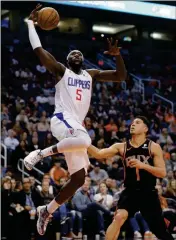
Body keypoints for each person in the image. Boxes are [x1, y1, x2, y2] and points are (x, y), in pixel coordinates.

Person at [24, 4, 127, 236]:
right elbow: (39, 49)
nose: (77, 55)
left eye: (80, 54)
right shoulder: (61, 71)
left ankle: (46, 210)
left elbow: (121, 76)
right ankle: (40, 153)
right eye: (72, 54)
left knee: (79, 178)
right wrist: (31, 24)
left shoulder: (91, 75)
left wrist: (118, 56)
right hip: (62, 120)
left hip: (75, 130)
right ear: (68, 61)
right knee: (83, 137)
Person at [88, 116, 174, 240]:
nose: (133, 125)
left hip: (148, 192)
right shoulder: (121, 146)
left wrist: (143, 165)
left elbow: (162, 173)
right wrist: (84, 142)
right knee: (118, 217)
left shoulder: (153, 147)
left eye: (137, 123)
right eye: (132, 123)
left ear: (145, 128)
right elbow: (98, 153)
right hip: (130, 191)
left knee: (159, 230)